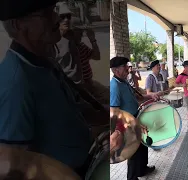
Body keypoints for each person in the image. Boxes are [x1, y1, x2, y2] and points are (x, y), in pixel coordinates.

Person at [0, 0, 109, 178]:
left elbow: (74, 105)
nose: (56, 18)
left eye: (54, 10)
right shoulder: (16, 83)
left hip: (86, 161)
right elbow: (14, 165)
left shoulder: (46, 62)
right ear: (18, 25)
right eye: (46, 13)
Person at [110, 57, 159, 180]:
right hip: (128, 123)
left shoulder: (124, 81)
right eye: (124, 66)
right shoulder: (115, 86)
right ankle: (132, 178)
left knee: (142, 146)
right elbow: (115, 112)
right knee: (133, 151)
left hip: (137, 116)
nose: (128, 68)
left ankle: (142, 169)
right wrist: (132, 123)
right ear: (116, 70)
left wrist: (151, 96)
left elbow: (138, 97)